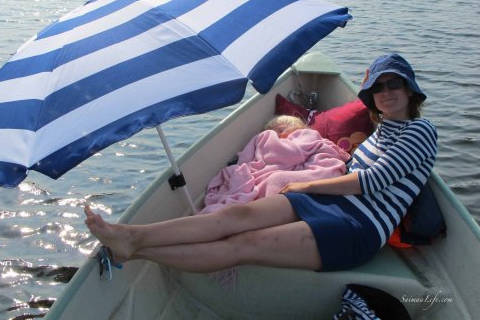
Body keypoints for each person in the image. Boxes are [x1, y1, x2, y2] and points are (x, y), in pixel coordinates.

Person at [84, 53, 437, 272]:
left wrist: (305, 184)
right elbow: (351, 167)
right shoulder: (381, 130)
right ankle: (131, 235)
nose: (386, 92)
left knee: (242, 246)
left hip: (360, 226)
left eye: (394, 84)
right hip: (332, 201)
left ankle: (139, 253)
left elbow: (370, 182)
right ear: (371, 97)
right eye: (378, 87)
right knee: (235, 217)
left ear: (410, 90)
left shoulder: (421, 130)